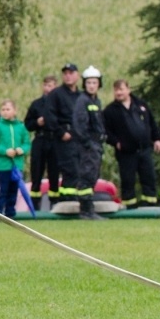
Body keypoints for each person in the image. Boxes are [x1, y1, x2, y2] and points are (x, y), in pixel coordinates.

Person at [102, 79, 160, 208]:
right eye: (116, 90)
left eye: (121, 89)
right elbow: (105, 131)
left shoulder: (141, 105)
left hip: (144, 149)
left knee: (149, 178)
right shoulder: (110, 111)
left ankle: (150, 205)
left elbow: (151, 122)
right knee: (128, 180)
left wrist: (157, 139)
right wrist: (116, 143)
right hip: (126, 153)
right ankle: (130, 207)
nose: (119, 93)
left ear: (128, 90)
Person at [71, 66, 106, 220]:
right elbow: (79, 124)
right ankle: (86, 210)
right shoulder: (83, 100)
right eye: (89, 82)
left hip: (96, 145)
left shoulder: (95, 101)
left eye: (94, 82)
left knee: (93, 176)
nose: (92, 85)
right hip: (87, 146)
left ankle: (89, 209)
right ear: (85, 84)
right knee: (86, 176)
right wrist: (88, 143)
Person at [43, 63, 81, 203]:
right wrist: (61, 132)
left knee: (78, 169)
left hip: (78, 137)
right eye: (65, 73)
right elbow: (49, 116)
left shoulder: (80, 95)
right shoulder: (56, 94)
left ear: (77, 75)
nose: (68, 76)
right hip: (64, 138)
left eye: (71, 73)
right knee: (70, 169)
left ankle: (73, 197)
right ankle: (67, 199)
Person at [0, 99, 30, 218]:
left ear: (15, 111)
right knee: (1, 190)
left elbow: (27, 143)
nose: (5, 112)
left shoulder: (21, 127)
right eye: (3, 109)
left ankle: (10, 214)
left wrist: (21, 149)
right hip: (2, 166)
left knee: (13, 191)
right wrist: (5, 151)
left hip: (17, 166)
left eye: (8, 109)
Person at [23, 75, 60, 210]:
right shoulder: (36, 104)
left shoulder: (59, 104)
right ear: (43, 87)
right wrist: (37, 123)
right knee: (36, 172)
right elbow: (27, 124)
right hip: (40, 139)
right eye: (46, 85)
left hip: (55, 140)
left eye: (52, 86)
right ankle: (34, 204)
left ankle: (54, 203)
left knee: (54, 173)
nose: (49, 89)